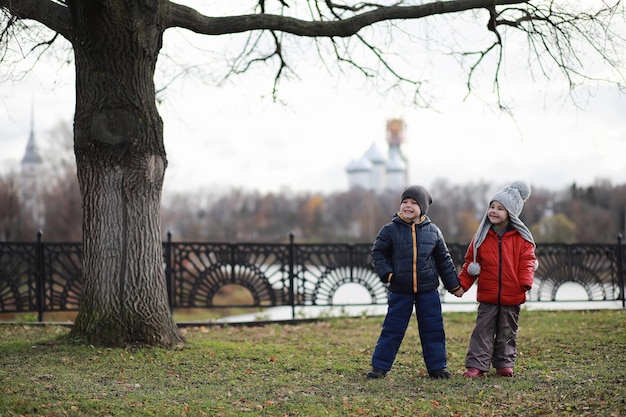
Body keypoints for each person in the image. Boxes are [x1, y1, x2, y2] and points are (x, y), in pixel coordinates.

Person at [366, 185, 464, 380]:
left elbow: (444, 259)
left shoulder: (433, 231)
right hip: (400, 289)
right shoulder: (389, 230)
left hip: (428, 290)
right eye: (405, 202)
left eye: (413, 203)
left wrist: (454, 285)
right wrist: (388, 274)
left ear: (423, 208)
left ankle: (437, 367)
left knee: (433, 328)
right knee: (392, 328)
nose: (408, 206)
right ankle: (380, 367)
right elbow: (378, 253)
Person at [458, 181, 537, 378]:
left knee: (507, 331)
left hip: (512, 293)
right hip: (488, 294)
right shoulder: (481, 238)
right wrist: (461, 286)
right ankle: (476, 365)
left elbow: (528, 261)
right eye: (492, 206)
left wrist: (525, 282)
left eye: (500, 208)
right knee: (482, 330)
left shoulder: (521, 239)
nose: (494, 211)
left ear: (511, 213)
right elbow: (471, 263)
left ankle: (504, 363)